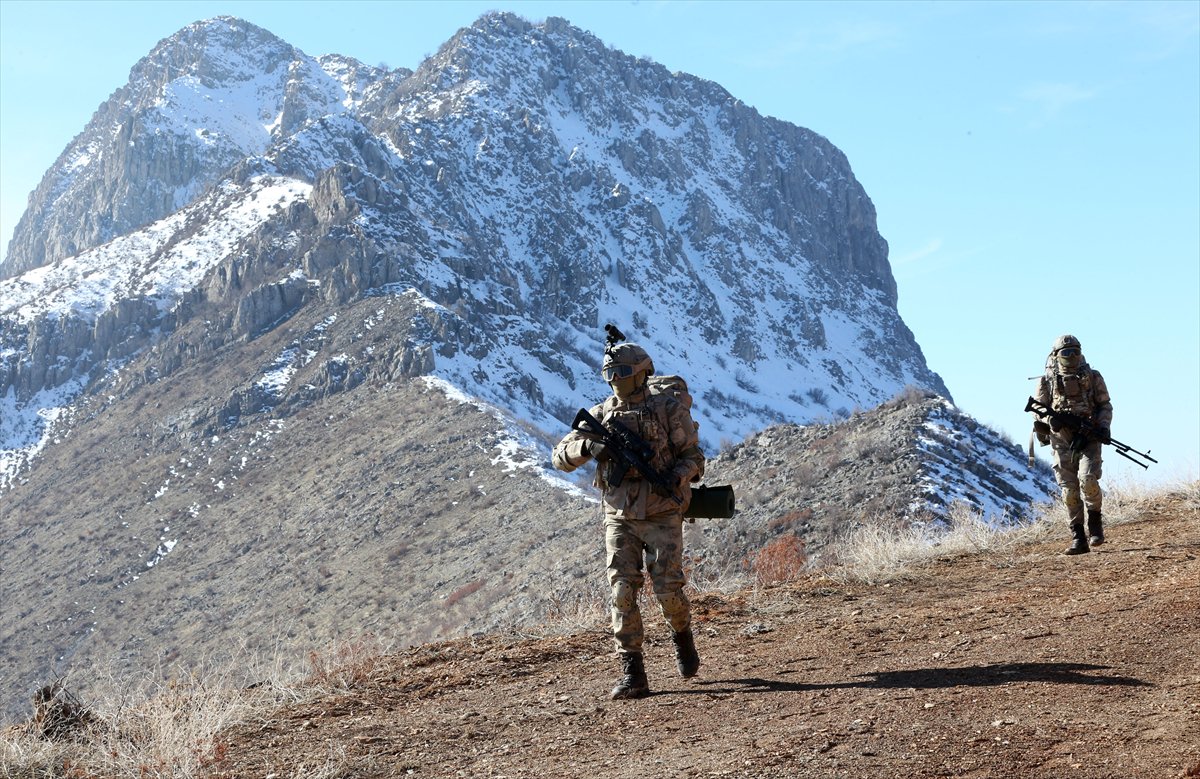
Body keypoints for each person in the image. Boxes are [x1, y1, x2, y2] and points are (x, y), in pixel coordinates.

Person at [552, 338, 706, 699]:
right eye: (610, 373)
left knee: (668, 590)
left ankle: (682, 636)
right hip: (618, 515)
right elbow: (559, 456)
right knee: (622, 591)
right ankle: (632, 672)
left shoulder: (668, 410)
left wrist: (677, 475)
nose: (615, 379)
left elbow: (695, 457)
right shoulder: (602, 414)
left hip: (662, 512)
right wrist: (588, 447)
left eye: (622, 372)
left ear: (642, 373)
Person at [1032, 334, 1113, 555]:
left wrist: (1104, 427)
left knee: (1088, 480)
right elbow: (1038, 409)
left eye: (1075, 352)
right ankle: (1078, 538)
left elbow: (1105, 405)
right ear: (1056, 355)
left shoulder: (1092, 377)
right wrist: (1051, 420)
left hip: (1089, 436)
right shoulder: (1046, 380)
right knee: (1069, 490)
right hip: (1062, 439)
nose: (1071, 356)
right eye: (1066, 353)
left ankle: (1095, 526)